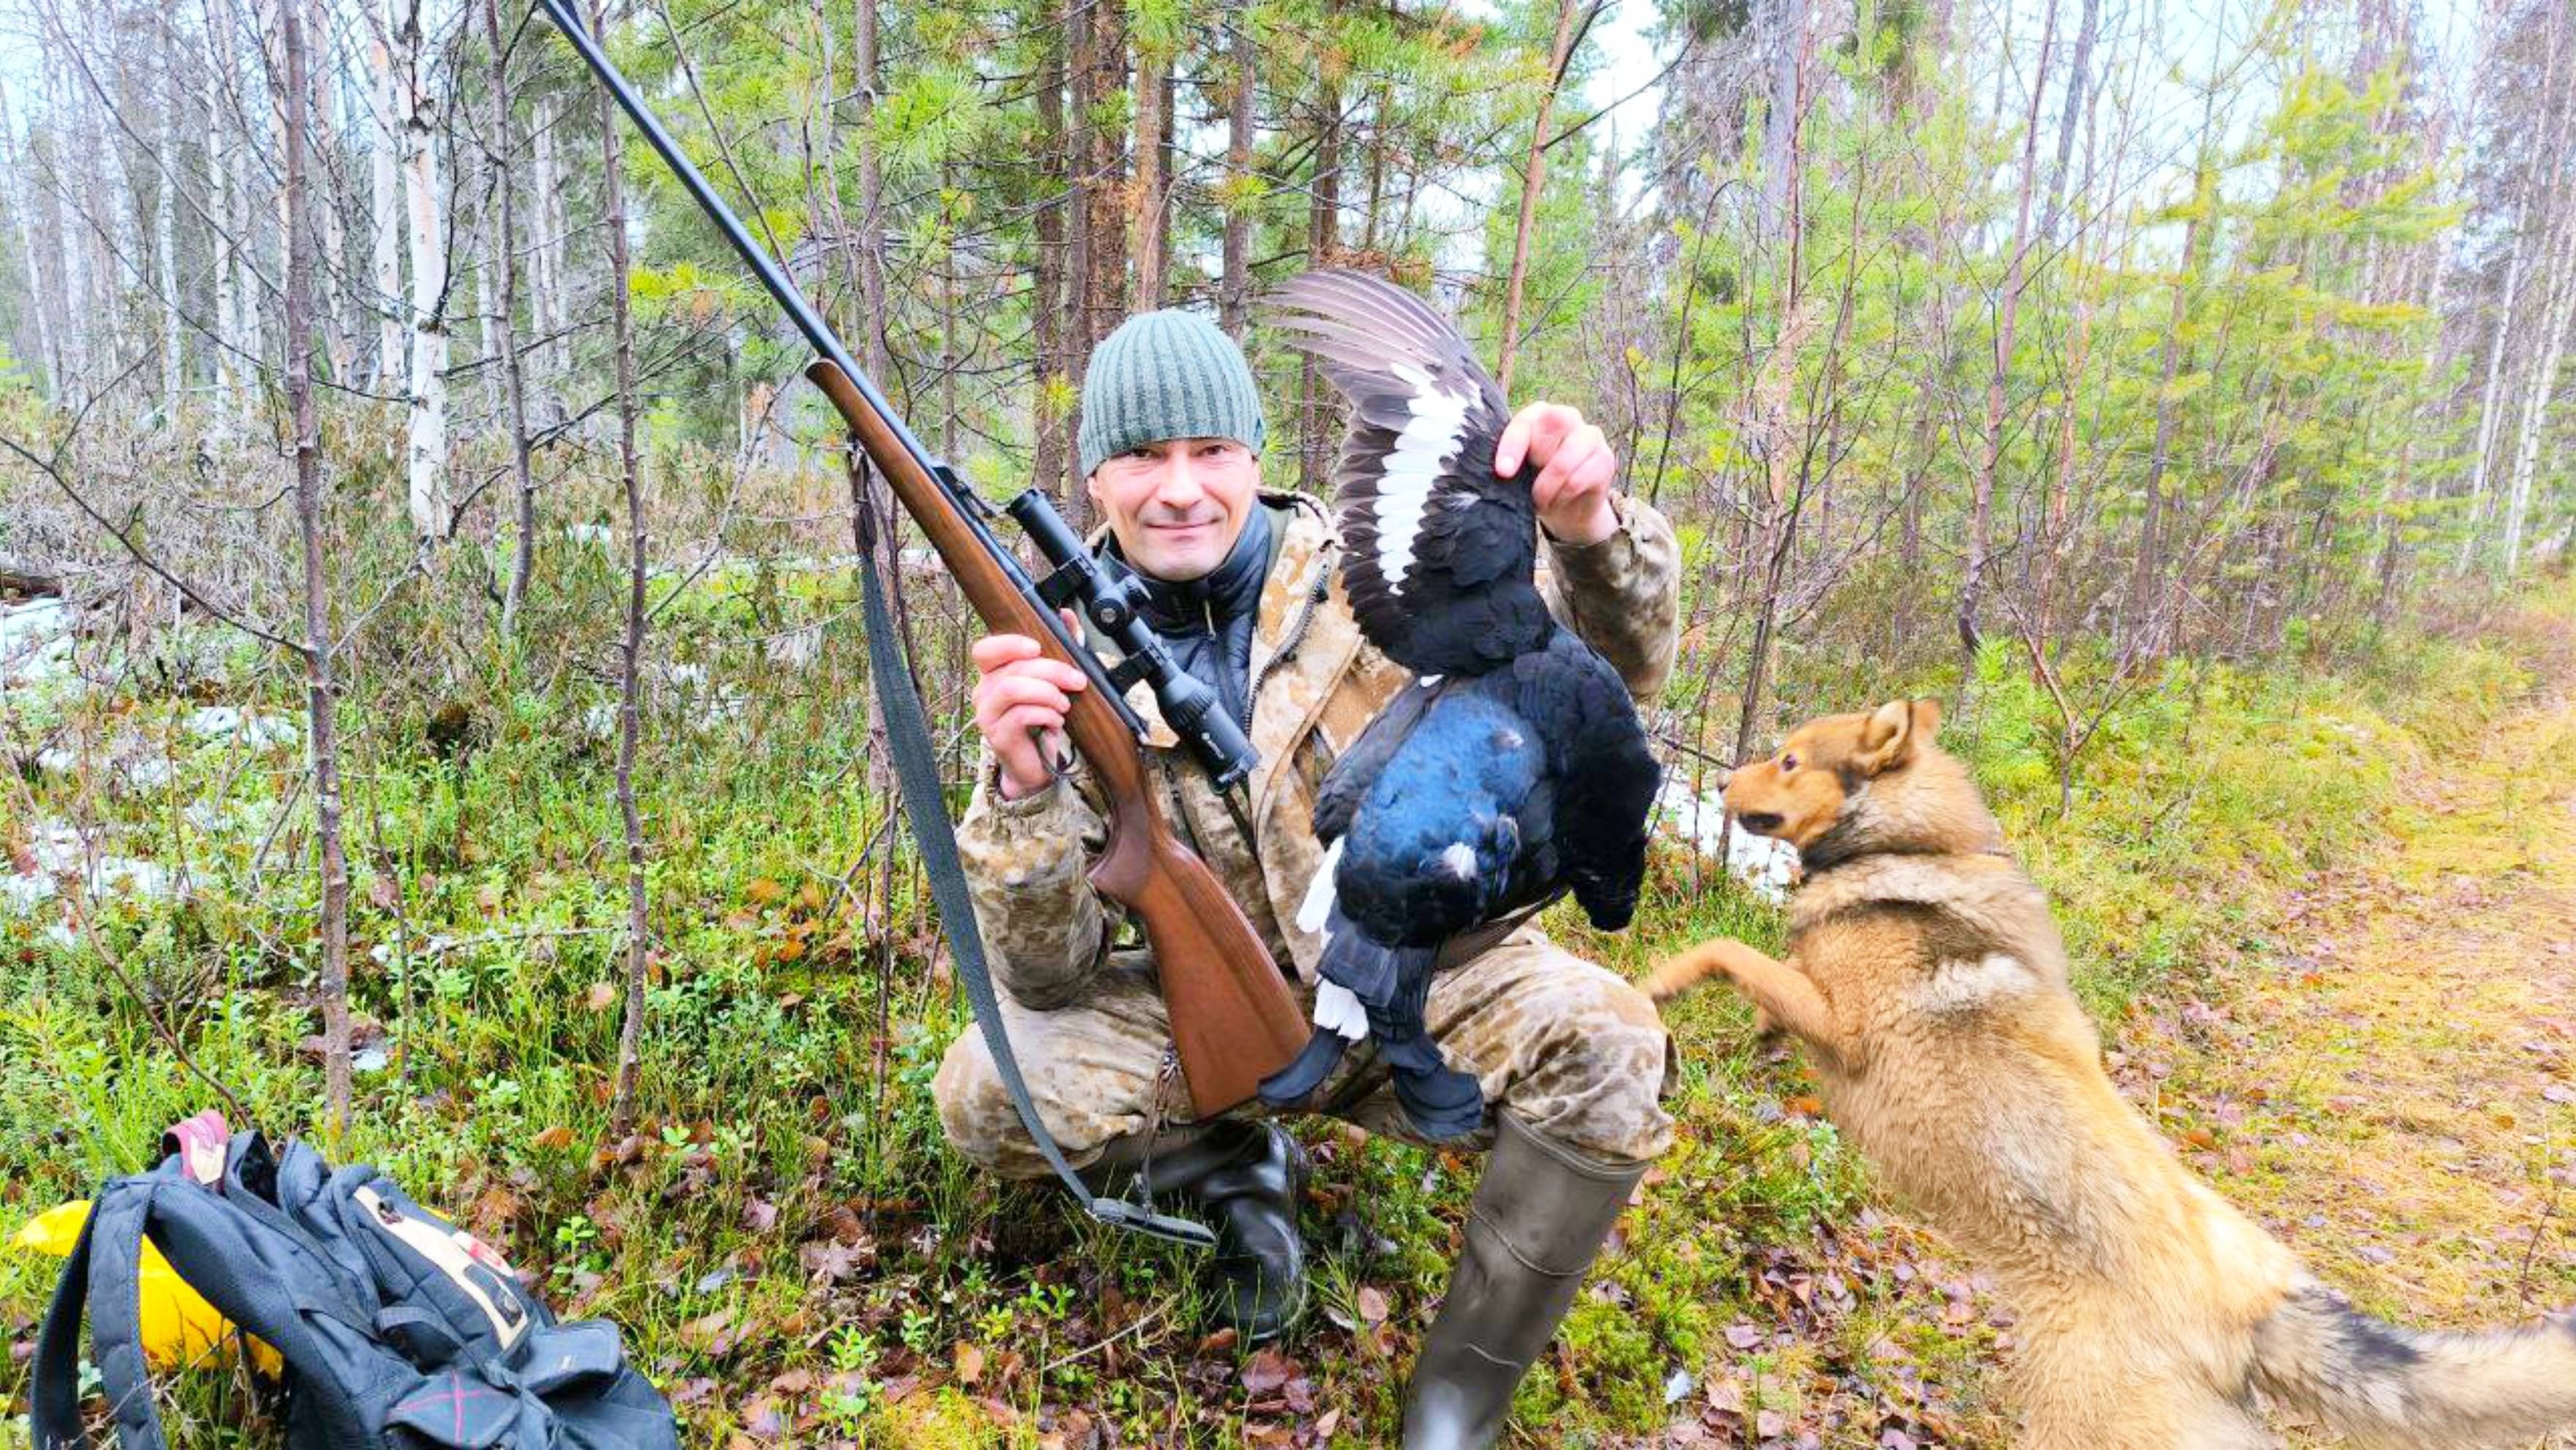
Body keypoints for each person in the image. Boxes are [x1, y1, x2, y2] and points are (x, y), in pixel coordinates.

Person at [930, 306, 1680, 1447]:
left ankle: (1455, 1402)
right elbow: (1045, 978)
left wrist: (1585, 530)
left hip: (1423, 984)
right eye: (1142, 456)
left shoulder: (1382, 570)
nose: (1179, 489)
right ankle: (1234, 1172)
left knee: (1611, 1042)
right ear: (1093, 480)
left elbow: (1607, 684)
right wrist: (1023, 794)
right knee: (991, 1090)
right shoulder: (1055, 658)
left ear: (1254, 461)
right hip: (1205, 1018)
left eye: (1209, 452)